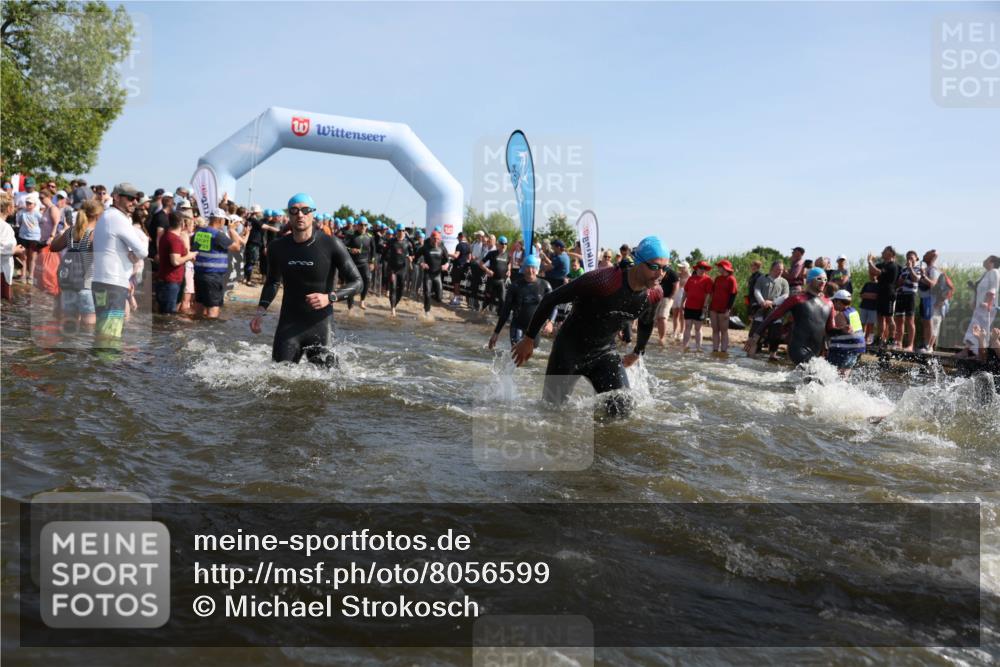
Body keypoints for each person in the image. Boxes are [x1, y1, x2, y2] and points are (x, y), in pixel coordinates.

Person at [511, 236, 668, 420]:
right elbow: (551, 299)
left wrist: (637, 352)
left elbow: (647, 322)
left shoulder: (654, 294)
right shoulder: (604, 280)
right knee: (551, 413)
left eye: (665, 268)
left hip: (604, 353)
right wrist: (529, 339)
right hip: (569, 351)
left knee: (623, 407)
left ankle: (602, 446)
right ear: (638, 261)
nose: (660, 274)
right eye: (655, 267)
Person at [250, 193, 362, 366]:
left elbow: (358, 282)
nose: (300, 215)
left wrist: (329, 298)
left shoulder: (331, 244)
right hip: (289, 326)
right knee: (278, 381)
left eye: (305, 210)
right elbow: (272, 282)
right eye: (294, 210)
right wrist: (260, 311)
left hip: (321, 326)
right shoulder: (277, 247)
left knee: (326, 386)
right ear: (289, 215)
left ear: (312, 213)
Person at [90, 183, 149, 350]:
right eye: (130, 198)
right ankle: (106, 370)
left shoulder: (106, 216)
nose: (134, 202)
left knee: (103, 329)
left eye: (136, 199)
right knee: (111, 333)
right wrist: (134, 255)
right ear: (116, 197)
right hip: (113, 284)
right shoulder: (118, 218)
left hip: (102, 281)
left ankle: (98, 369)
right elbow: (143, 251)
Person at [745, 268, 836, 365]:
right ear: (810, 280)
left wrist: (844, 331)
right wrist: (755, 336)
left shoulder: (829, 303)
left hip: (816, 351)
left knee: (810, 377)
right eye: (819, 279)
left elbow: (830, 330)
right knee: (812, 374)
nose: (823, 282)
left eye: (825, 279)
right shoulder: (796, 299)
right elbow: (773, 317)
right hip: (798, 348)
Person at [50, 198, 102, 330]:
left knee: (69, 324)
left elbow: (53, 247)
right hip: (87, 285)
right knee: (89, 327)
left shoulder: (71, 232)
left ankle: (68, 350)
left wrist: (62, 232)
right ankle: (83, 351)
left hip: (68, 283)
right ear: (98, 215)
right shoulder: (96, 234)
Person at [489, 254, 555, 348]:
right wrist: (496, 332)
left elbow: (553, 305)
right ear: (523, 268)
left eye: (533, 267)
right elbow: (505, 311)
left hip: (534, 328)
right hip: (518, 325)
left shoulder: (545, 285)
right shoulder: (515, 286)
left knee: (530, 353)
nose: (530, 270)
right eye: (528, 267)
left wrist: (550, 322)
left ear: (537, 269)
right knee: (517, 351)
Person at [192, 208, 244, 319]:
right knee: (213, 309)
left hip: (199, 274)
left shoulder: (199, 232)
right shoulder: (218, 235)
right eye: (224, 220)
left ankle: (196, 329)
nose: (225, 223)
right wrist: (232, 230)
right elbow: (237, 247)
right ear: (219, 220)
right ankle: (210, 333)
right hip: (213, 276)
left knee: (199, 305)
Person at [155, 212, 198, 314]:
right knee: (168, 315)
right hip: (171, 281)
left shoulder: (166, 236)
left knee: (164, 313)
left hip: (166, 279)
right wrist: (190, 256)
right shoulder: (174, 239)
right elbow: (175, 261)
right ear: (182, 224)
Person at [960, 255, 1000, 358]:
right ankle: (975, 353)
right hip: (981, 307)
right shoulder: (987, 273)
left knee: (977, 329)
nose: (984, 261)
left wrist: (988, 302)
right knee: (978, 329)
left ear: (991, 262)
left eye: (987, 259)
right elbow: (981, 289)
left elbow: (993, 289)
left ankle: (967, 351)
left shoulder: (994, 272)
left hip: (987, 308)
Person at [752, 260, 789, 360]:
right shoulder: (762, 278)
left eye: (782, 270)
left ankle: (773, 355)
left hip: (776, 311)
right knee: (755, 332)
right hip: (761, 308)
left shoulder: (784, 282)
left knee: (775, 335)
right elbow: (757, 290)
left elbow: (785, 296)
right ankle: (752, 353)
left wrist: (772, 302)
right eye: (778, 269)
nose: (780, 271)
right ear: (772, 269)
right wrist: (762, 301)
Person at [827, 289, 866, 376]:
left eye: (834, 301)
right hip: (857, 349)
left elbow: (832, 330)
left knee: (831, 373)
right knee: (844, 376)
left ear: (839, 302)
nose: (832, 303)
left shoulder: (841, 315)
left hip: (845, 350)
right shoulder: (854, 311)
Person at [413, 230, 451, 316]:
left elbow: (447, 259)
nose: (436, 241)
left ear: (440, 239)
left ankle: (431, 296)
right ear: (430, 239)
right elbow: (415, 259)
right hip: (428, 275)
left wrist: (446, 265)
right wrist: (421, 263)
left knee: (439, 298)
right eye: (434, 239)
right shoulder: (425, 247)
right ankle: (427, 311)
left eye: (437, 239)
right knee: (427, 293)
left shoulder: (442, 247)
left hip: (437, 275)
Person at [868, 246, 899, 347]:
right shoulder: (880, 264)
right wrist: (871, 263)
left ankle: (892, 339)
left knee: (889, 318)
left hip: (889, 294)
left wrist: (869, 262)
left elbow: (877, 272)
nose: (882, 251)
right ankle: (880, 339)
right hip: (880, 293)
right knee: (880, 317)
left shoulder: (892, 265)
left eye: (885, 250)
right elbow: (872, 275)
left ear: (890, 253)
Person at [681, 260, 713, 352]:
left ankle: (698, 347)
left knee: (698, 328)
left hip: (700, 308)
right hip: (689, 306)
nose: (702, 270)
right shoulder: (691, 279)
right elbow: (685, 292)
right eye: (700, 268)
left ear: (706, 270)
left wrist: (704, 306)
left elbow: (708, 294)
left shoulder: (708, 280)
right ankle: (685, 346)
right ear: (697, 268)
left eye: (704, 268)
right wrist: (682, 302)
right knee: (687, 326)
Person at [893, 250, 922, 351]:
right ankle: (899, 343)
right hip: (900, 295)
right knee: (899, 320)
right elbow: (898, 283)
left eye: (911, 257)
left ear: (916, 258)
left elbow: (916, 279)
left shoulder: (919, 268)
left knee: (910, 321)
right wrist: (899, 282)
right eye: (908, 257)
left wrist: (910, 268)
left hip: (911, 296)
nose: (909, 259)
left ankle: (910, 345)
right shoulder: (904, 269)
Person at [708, 259, 739, 353]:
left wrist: (728, 310)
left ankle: (724, 351)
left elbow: (733, 295)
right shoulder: (718, 278)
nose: (718, 268)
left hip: (724, 309)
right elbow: (712, 292)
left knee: (724, 331)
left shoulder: (731, 279)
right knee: (715, 330)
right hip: (714, 307)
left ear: (725, 268)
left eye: (720, 266)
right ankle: (715, 350)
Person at [0, 192, 25, 301]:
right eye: (14, 205)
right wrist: (15, 250)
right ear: (9, 208)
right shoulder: (5, 227)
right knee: (4, 302)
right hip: (2, 271)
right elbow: (2, 248)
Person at [346, 218, 375, 311]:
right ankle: (350, 306)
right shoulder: (351, 235)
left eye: (365, 225)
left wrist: (372, 262)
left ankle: (362, 300)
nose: (363, 227)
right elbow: (342, 246)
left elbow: (373, 251)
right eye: (361, 225)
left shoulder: (370, 237)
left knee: (367, 278)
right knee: (351, 283)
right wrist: (350, 249)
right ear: (357, 225)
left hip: (364, 262)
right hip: (352, 263)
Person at [916, 249, 940, 352]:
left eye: (926, 254)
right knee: (926, 322)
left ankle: (928, 346)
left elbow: (933, 284)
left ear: (931, 257)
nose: (924, 255)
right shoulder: (928, 268)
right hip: (925, 298)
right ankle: (926, 344)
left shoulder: (933, 270)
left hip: (930, 299)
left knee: (929, 322)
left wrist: (924, 276)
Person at [479, 235, 511, 313]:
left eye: (505, 244)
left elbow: (509, 263)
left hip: (501, 281)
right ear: (498, 244)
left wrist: (509, 270)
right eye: (502, 243)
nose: (504, 245)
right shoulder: (492, 253)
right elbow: (481, 263)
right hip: (492, 280)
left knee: (502, 300)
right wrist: (487, 270)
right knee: (488, 298)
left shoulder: (508, 255)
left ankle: (499, 317)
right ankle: (481, 312)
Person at [15, 192, 42, 283]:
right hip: (23, 236)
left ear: (35, 204)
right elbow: (19, 222)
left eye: (30, 203)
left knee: (33, 257)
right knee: (23, 257)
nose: (28, 205)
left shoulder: (37, 214)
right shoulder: (22, 213)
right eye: (27, 203)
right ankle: (23, 276)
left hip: (34, 237)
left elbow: (41, 222)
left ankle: (30, 276)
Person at [385, 225, 411, 317]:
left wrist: (411, 258)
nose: (401, 232)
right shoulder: (391, 241)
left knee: (401, 291)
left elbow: (413, 252)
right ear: (396, 232)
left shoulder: (407, 243)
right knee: (393, 287)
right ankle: (392, 309)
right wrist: (386, 261)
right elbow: (384, 252)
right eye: (399, 230)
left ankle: (394, 305)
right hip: (392, 269)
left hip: (402, 269)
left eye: (403, 231)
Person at [654, 260, 679, 345]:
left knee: (663, 317)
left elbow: (676, 285)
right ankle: (661, 337)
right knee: (658, 317)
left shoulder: (672, 273)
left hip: (668, 297)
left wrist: (671, 296)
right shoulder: (659, 272)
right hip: (659, 297)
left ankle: (663, 338)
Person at [449, 231, 472, 305]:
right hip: (464, 267)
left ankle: (456, 299)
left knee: (456, 283)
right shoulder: (469, 246)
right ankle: (458, 298)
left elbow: (456, 256)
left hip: (458, 266)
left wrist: (447, 253)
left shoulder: (459, 245)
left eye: (458, 238)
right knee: (459, 283)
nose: (458, 239)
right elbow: (469, 258)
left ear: (461, 237)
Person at [670, 261, 689, 341]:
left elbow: (689, 289)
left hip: (683, 295)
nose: (680, 268)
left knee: (682, 315)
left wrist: (685, 300)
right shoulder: (677, 274)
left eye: (682, 267)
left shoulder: (690, 276)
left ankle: (681, 332)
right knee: (675, 315)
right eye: (680, 267)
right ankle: (674, 331)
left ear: (686, 268)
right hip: (676, 294)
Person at [858, 277, 879, 346]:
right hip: (863, 306)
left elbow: (877, 296)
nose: (872, 276)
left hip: (873, 308)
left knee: (871, 324)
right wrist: (870, 295)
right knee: (862, 323)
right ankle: (861, 338)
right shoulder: (867, 284)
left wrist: (866, 295)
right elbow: (861, 295)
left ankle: (868, 339)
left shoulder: (878, 285)